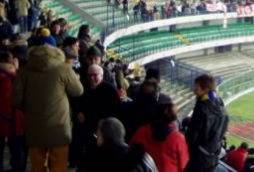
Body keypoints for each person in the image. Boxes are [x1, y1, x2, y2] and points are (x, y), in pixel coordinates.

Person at [13, 41, 83, 172]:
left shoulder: (23, 71)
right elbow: (78, 91)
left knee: (38, 166)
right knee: (58, 165)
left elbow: (16, 100)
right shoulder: (64, 69)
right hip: (59, 129)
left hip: (34, 128)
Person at [184, 74, 229, 172]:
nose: (194, 90)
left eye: (197, 88)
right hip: (213, 156)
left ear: (206, 89)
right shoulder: (219, 102)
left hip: (198, 158)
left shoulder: (202, 108)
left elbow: (192, 136)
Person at [130, 103, 189, 172]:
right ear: (173, 118)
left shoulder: (142, 131)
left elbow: (130, 150)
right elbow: (183, 166)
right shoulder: (178, 139)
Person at [86, 117, 157, 172]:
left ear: (102, 138)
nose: (96, 138)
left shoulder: (100, 163)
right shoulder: (145, 157)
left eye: (97, 135)